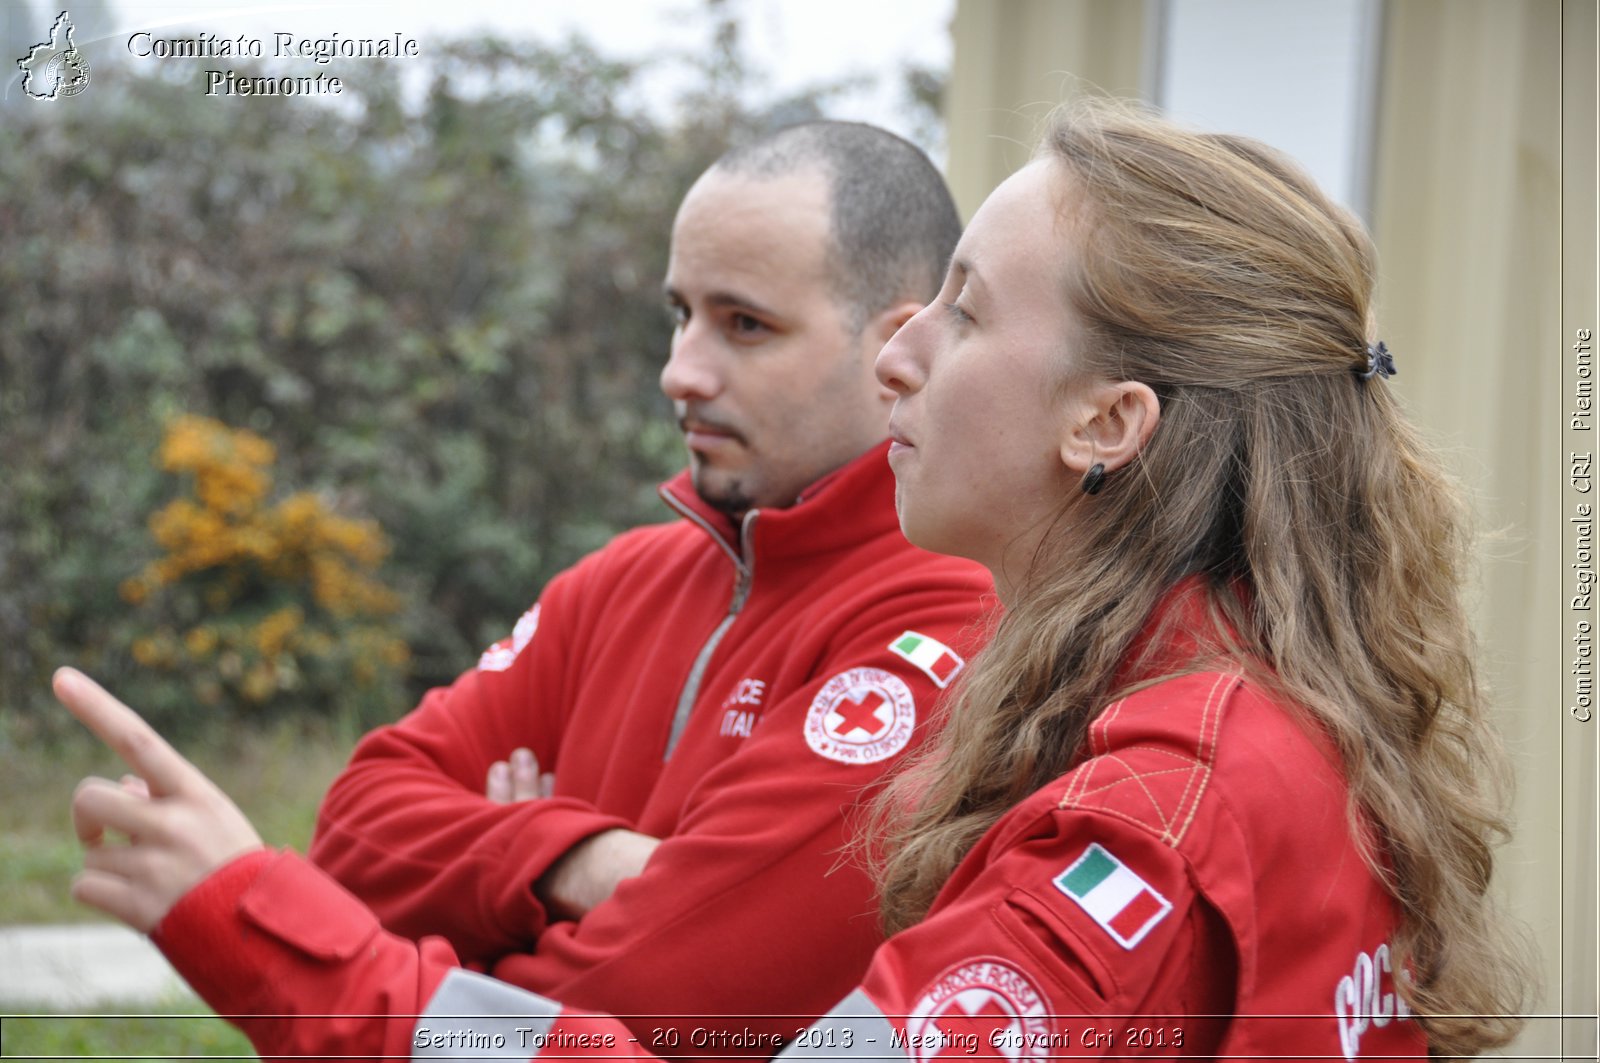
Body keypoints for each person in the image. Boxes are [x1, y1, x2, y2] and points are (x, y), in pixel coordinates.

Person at [56, 100, 1532, 1061]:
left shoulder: (1151, 813)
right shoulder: (1228, 719)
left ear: (1109, 421)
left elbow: (648, 1013)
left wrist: (267, 921)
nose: (904, 354)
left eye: (961, 312)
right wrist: (574, 856)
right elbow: (377, 812)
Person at [296, 119, 990, 1050]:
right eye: (679, 314)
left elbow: (659, 1000)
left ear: (897, 345)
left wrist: (472, 928)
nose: (680, 371)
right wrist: (570, 859)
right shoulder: (618, 581)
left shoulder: (947, 616)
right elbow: (348, 835)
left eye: (745, 324)